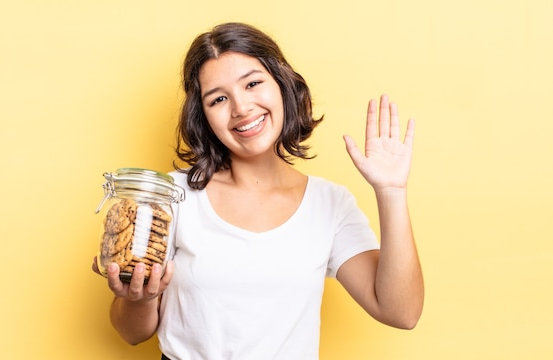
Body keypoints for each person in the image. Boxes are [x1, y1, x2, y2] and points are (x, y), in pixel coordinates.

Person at [93, 22, 424, 359]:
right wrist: (141, 297)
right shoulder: (170, 196)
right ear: (203, 116)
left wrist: (392, 191)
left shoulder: (330, 204)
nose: (241, 108)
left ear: (281, 85)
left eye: (252, 83)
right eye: (219, 98)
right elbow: (132, 333)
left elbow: (401, 312)